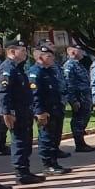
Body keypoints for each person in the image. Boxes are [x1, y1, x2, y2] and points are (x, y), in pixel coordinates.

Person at [0, 40, 47, 185]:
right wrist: (7, 112)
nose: (26, 53)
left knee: (26, 142)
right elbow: (3, 92)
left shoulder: (18, 68)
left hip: (25, 111)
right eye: (23, 50)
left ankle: (25, 171)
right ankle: (21, 173)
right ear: (12, 52)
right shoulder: (7, 68)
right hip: (16, 112)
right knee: (19, 142)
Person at [31, 45, 72, 175]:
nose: (52, 58)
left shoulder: (50, 71)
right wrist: (39, 112)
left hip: (56, 109)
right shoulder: (35, 72)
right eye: (48, 56)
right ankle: (48, 165)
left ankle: (54, 163)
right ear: (40, 58)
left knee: (55, 138)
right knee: (46, 138)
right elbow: (35, 95)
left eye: (51, 55)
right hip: (45, 111)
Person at [62, 45, 95, 153]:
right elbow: (69, 84)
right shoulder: (69, 65)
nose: (82, 52)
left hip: (85, 96)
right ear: (72, 52)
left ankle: (81, 142)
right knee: (78, 120)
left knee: (84, 118)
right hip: (79, 97)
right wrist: (73, 100)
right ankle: (79, 143)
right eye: (79, 50)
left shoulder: (79, 64)